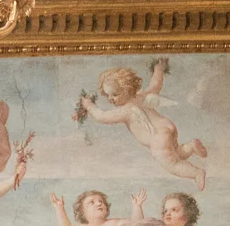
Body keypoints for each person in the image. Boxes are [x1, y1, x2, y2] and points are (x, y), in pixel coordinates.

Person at [75, 59, 208, 190]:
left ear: (127, 90)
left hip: (157, 138)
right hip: (167, 126)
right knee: (176, 153)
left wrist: (88, 105)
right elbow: (156, 85)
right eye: (108, 95)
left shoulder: (126, 110)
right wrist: (159, 68)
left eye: (115, 94)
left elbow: (102, 116)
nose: (110, 99)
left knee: (172, 164)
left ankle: (196, 173)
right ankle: (190, 147)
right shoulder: (143, 96)